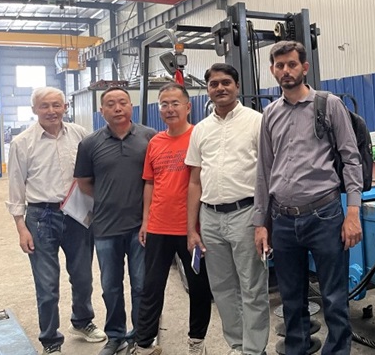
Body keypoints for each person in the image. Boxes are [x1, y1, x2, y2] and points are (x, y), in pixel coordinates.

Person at [254, 41, 363, 355]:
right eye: (279, 66)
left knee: (334, 297)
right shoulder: (269, 114)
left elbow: (351, 159)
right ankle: (297, 348)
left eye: (291, 64)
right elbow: (264, 170)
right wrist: (260, 223)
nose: (285, 71)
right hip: (283, 220)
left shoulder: (329, 105)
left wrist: (352, 212)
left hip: (324, 216)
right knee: (291, 298)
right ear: (273, 70)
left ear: (304, 67)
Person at [6, 87, 106, 354]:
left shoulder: (80, 135)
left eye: (56, 105)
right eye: (44, 106)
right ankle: (50, 339)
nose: (51, 111)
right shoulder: (22, 143)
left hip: (77, 214)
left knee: (83, 277)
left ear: (65, 107)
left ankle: (82, 322)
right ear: (34, 110)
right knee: (47, 285)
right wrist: (21, 227)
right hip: (41, 217)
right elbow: (15, 186)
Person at [185, 63, 270, 355]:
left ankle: (254, 350)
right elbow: (194, 181)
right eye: (214, 84)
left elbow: (267, 174)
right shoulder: (201, 130)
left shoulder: (257, 122)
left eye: (226, 83)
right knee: (222, 288)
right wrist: (191, 229)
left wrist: (263, 221)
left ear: (236, 86)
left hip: (246, 214)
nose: (220, 88)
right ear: (207, 89)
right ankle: (237, 345)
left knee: (252, 287)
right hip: (210, 217)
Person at [131, 83, 212, 355]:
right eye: (164, 104)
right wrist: (146, 221)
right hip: (158, 227)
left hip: (192, 229)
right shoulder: (155, 142)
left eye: (175, 103)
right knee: (151, 287)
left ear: (188, 107)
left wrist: (195, 228)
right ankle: (144, 344)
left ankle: (197, 341)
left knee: (199, 288)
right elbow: (149, 183)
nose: (169, 109)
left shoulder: (199, 137)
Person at [74, 86, 157, 355]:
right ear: (102, 111)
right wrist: (108, 198)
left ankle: (141, 335)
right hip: (105, 227)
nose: (117, 108)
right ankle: (116, 336)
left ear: (131, 106)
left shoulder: (149, 138)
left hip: (141, 227)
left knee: (141, 285)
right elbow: (84, 182)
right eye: (110, 104)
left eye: (122, 102)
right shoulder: (89, 144)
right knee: (110, 287)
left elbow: (156, 179)